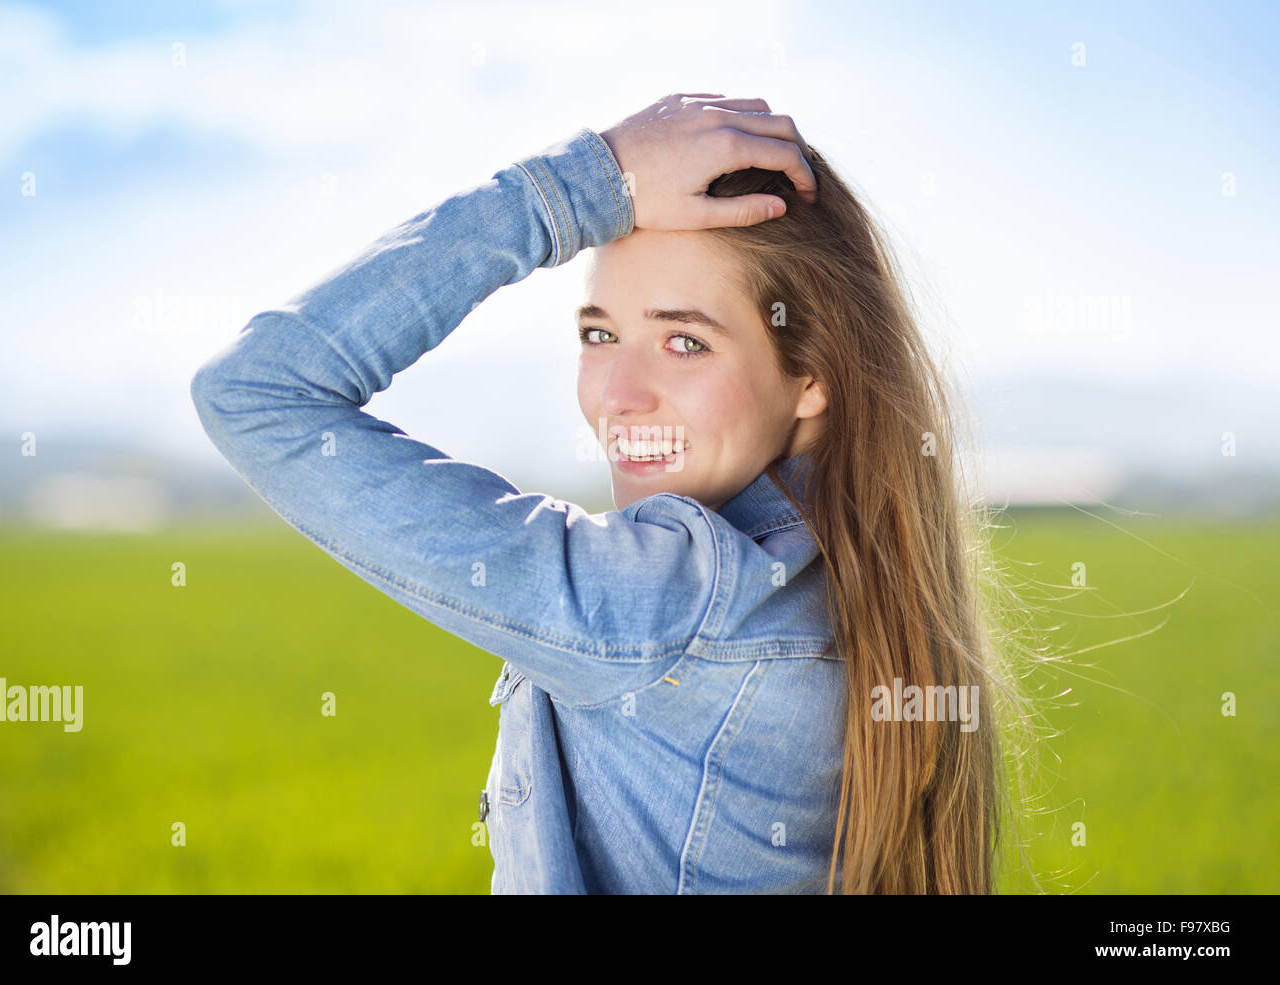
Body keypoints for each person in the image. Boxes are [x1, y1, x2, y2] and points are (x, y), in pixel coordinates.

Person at [191, 92, 1015, 894]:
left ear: (812, 375)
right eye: (600, 334)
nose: (618, 393)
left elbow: (257, 391)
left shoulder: (673, 606)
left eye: (684, 341)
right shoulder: (850, 581)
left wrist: (586, 186)